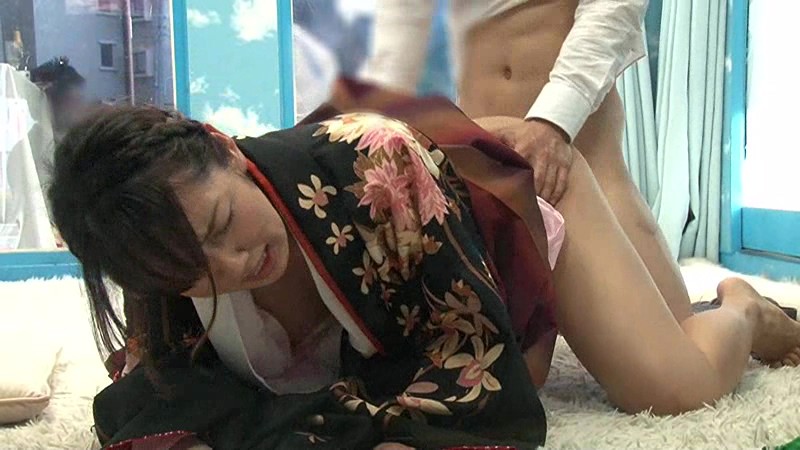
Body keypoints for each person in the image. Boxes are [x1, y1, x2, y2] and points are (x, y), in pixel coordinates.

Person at [48, 81, 800, 450]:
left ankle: (742, 304)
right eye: (193, 272)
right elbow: (154, 401)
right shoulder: (161, 258)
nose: (234, 263)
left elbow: (471, 360)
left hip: (499, 200)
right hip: (428, 196)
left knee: (672, 388)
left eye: (221, 224)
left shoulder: (372, 161)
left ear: (224, 148)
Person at [360, 0, 720, 382]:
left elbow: (614, 7)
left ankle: (747, 310)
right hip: (488, 156)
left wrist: (554, 121)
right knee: (481, 362)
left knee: (677, 358)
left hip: (575, 149)